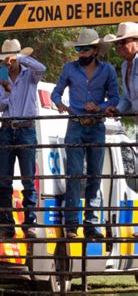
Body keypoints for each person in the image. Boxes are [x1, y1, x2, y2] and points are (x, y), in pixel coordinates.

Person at [51, 28, 119, 239]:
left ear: (95, 50)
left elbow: (115, 98)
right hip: (76, 123)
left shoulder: (108, 70)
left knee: (95, 176)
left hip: (96, 124)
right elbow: (56, 92)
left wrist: (99, 106)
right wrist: (60, 104)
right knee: (74, 174)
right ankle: (72, 224)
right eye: (79, 49)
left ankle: (91, 223)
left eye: (84, 49)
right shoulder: (69, 68)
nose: (80, 53)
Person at [0, 38, 46, 239]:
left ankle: (29, 223)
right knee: (4, 180)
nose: (9, 62)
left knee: (28, 181)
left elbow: (42, 68)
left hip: (25, 129)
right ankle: (6, 224)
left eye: (11, 58)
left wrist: (22, 57)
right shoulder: (1, 77)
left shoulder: (29, 74)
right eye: (7, 58)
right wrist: (7, 93)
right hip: (8, 128)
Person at [103, 22, 138, 238]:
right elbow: (128, 98)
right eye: (118, 44)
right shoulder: (126, 67)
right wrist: (118, 108)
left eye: (124, 42)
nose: (120, 47)